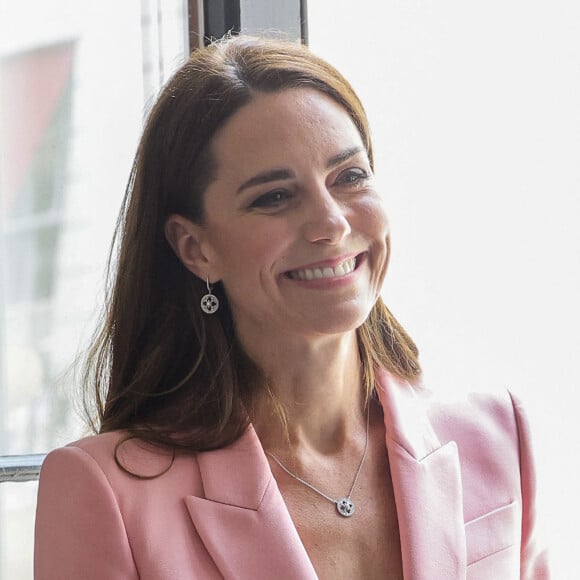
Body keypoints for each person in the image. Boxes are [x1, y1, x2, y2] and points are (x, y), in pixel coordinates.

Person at [34, 35, 549, 579]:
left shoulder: (497, 433)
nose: (331, 223)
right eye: (274, 197)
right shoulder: (108, 494)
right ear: (195, 247)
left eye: (349, 176)